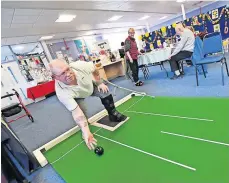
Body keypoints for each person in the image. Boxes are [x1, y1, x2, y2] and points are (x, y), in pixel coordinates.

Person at [49, 59, 127, 150]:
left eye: (68, 69)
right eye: (62, 73)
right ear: (55, 77)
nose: (68, 74)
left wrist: (99, 83)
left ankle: (113, 114)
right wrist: (86, 131)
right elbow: (77, 113)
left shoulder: (80, 66)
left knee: (104, 91)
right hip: (77, 96)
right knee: (82, 114)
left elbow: (94, 69)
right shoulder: (61, 92)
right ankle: (85, 131)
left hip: (89, 86)